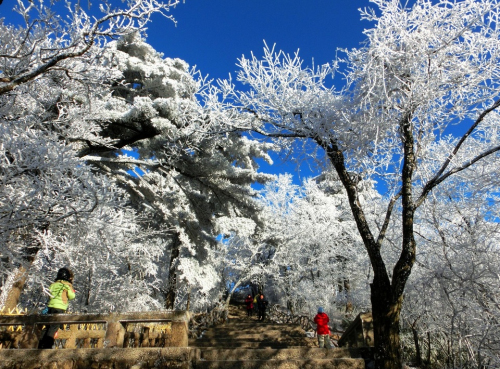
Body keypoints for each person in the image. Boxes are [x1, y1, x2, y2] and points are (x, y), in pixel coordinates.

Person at [38, 268, 75, 349]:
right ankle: (48, 345)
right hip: (60, 308)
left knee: (48, 326)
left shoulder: (53, 284)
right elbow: (72, 296)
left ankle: (40, 344)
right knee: (54, 327)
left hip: (51, 307)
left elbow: (49, 292)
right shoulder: (66, 285)